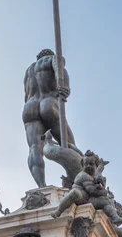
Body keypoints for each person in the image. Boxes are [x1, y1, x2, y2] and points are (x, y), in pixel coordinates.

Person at [23, 49, 80, 188]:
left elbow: (27, 93)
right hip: (48, 103)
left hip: (29, 107)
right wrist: (65, 87)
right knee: (67, 142)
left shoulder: (28, 71)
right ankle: (79, 174)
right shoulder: (51, 58)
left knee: (34, 148)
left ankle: (41, 187)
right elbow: (59, 67)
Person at [51, 150, 122, 225]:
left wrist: (100, 185)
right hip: (80, 197)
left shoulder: (94, 175)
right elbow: (92, 191)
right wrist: (103, 191)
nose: (88, 166)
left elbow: (99, 176)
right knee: (75, 193)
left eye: (91, 164)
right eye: (86, 164)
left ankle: (115, 217)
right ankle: (58, 211)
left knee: (105, 201)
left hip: (88, 199)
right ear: (82, 165)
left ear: (96, 165)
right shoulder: (83, 175)